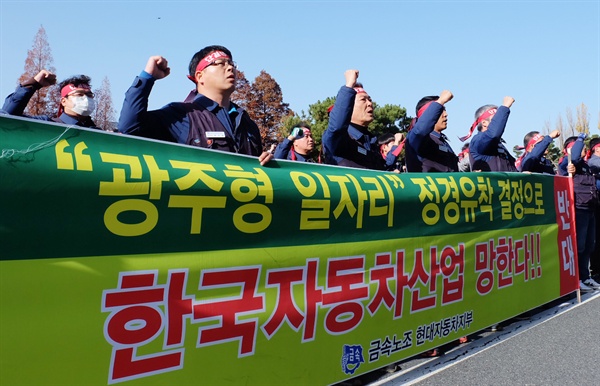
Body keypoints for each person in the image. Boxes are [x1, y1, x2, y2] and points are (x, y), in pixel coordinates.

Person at [118, 45, 272, 165]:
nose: (230, 68)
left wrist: (269, 163)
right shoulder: (181, 114)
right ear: (200, 76)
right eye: (220, 64)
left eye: (231, 64)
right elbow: (130, 128)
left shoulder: (247, 123)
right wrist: (147, 77)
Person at [558, 134, 600, 291]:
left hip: (590, 207)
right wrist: (580, 139)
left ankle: (586, 277)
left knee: (590, 245)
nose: (583, 149)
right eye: (579, 146)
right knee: (580, 246)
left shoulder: (585, 164)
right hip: (579, 208)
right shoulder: (567, 163)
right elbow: (572, 157)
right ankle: (576, 279)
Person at [321, 69, 384, 170]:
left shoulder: (372, 142)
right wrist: (349, 85)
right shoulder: (340, 140)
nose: (369, 103)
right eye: (363, 99)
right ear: (349, 106)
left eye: (370, 99)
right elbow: (337, 127)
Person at [2, 70, 100, 129]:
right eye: (79, 94)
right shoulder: (47, 125)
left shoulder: (99, 134)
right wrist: (33, 84)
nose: (86, 99)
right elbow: (7, 117)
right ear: (64, 101)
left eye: (89, 95)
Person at [405, 91, 457, 172]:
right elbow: (420, 130)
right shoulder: (417, 138)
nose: (446, 114)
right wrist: (440, 102)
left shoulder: (441, 140)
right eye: (440, 111)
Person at [462, 97, 517, 172]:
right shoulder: (478, 140)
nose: (497, 121)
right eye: (494, 119)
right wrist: (504, 107)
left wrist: (522, 175)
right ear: (484, 123)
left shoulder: (500, 146)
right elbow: (493, 135)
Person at [585, 137, 600, 282]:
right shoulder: (594, 161)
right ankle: (596, 270)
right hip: (595, 203)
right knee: (596, 239)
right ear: (597, 148)